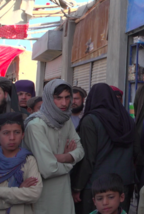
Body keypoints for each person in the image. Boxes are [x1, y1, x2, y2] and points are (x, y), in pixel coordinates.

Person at [71, 83, 135, 214]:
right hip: (123, 184)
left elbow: (88, 158)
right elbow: (137, 153)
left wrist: (77, 187)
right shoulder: (127, 120)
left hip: (97, 187)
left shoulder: (91, 120)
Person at [23, 79, 85, 214]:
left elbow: (80, 150)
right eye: (58, 98)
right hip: (43, 193)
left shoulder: (65, 120)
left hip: (64, 190)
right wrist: (70, 162)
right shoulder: (36, 125)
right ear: (48, 98)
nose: (64, 103)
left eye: (67, 97)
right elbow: (48, 169)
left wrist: (62, 157)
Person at [0, 112, 42, 214]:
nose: (12, 138)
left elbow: (34, 193)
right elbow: (26, 194)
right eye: (6, 133)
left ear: (23, 134)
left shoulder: (28, 160)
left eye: (17, 132)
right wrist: (19, 189)